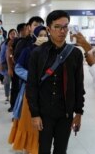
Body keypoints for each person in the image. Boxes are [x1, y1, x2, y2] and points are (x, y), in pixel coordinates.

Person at [26, 10, 85, 154]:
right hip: (44, 113)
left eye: (65, 27)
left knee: (61, 150)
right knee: (43, 150)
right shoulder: (38, 53)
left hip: (65, 114)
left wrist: (78, 112)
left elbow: (79, 85)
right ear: (48, 29)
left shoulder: (75, 54)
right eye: (57, 27)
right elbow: (31, 85)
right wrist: (35, 114)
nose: (62, 31)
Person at [8, 25, 49, 154]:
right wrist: (33, 78)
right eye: (40, 35)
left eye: (45, 35)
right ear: (35, 35)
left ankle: (39, 146)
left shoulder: (51, 51)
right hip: (29, 91)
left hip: (47, 93)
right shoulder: (28, 50)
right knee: (28, 120)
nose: (43, 37)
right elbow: (18, 68)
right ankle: (28, 147)